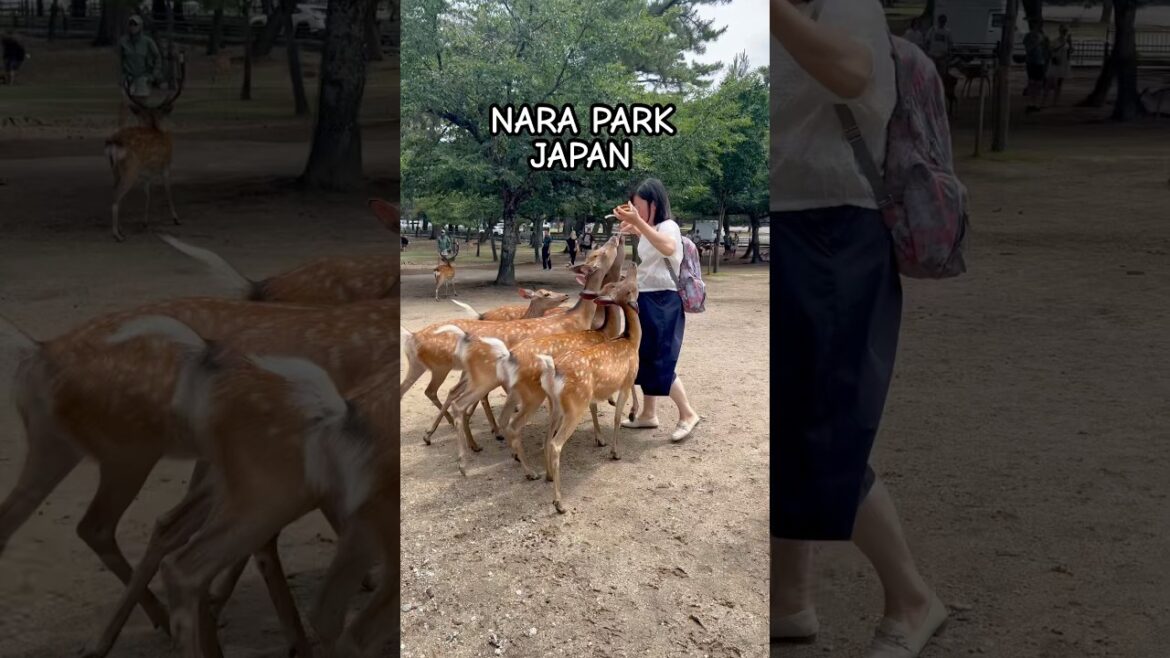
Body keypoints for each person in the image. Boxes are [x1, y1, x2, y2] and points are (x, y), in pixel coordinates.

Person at [770, 1, 947, 656]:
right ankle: (790, 599)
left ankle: (911, 597)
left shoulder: (843, 5)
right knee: (788, 421)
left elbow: (854, 74)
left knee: (825, 427)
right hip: (785, 229)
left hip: (834, 230)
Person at [613, 178, 701, 443]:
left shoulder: (669, 226)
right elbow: (653, 247)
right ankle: (649, 415)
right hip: (648, 298)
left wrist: (639, 224)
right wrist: (636, 228)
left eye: (639, 207)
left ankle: (687, 414)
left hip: (664, 300)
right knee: (645, 357)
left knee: (660, 359)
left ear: (654, 203)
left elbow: (669, 247)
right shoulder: (652, 228)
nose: (637, 212)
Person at [118, 15, 161, 126]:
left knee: (141, 106)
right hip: (128, 77)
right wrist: (121, 76)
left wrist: (153, 75)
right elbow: (120, 60)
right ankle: (122, 130)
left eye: (135, 24)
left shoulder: (148, 42)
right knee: (125, 104)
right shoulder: (123, 42)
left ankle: (142, 129)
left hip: (143, 77)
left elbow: (157, 57)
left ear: (140, 27)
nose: (132, 27)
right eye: (131, 24)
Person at [1023, 21, 1050, 114]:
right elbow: (1028, 49)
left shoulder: (1042, 36)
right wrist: (1037, 43)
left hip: (1040, 62)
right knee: (1031, 82)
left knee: (1039, 83)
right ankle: (1030, 103)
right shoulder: (1028, 36)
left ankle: (1036, 103)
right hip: (1031, 62)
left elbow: (1046, 49)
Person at [1046, 24, 1072, 107]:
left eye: (1066, 31)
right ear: (1060, 31)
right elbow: (1052, 50)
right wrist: (1063, 44)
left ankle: (1055, 102)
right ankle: (1046, 100)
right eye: (1063, 31)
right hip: (1056, 62)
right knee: (1051, 82)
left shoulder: (1067, 41)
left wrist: (1070, 43)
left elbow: (1070, 51)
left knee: (1060, 83)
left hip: (1064, 63)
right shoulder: (1055, 41)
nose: (1064, 32)